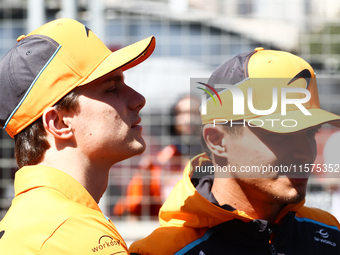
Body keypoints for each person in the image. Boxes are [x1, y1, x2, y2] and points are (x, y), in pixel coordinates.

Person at [129, 48, 340, 254]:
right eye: (281, 133)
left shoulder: (329, 232)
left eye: (310, 132)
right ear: (217, 140)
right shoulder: (164, 251)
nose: (305, 153)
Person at [0, 18, 155, 254]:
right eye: (111, 89)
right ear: (59, 122)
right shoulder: (71, 232)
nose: (138, 99)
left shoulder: (38, 223)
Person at [113, 95, 201, 217]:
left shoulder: (218, 161)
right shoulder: (158, 163)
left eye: (195, 113)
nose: (189, 119)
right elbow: (132, 209)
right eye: (183, 113)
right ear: (174, 118)